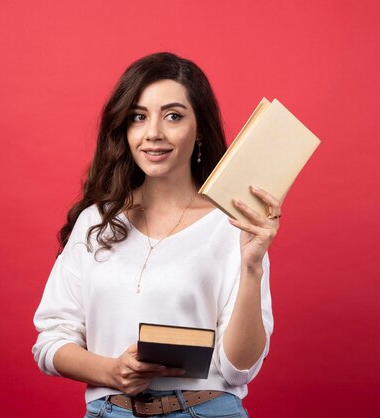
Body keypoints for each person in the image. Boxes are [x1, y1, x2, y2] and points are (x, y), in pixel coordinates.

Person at [32, 52, 281, 417]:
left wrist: (253, 266)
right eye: (138, 117)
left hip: (207, 409)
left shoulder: (235, 225)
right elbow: (51, 342)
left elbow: (239, 368)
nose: (153, 133)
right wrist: (112, 371)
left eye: (174, 116)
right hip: (110, 410)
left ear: (200, 131)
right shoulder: (95, 222)